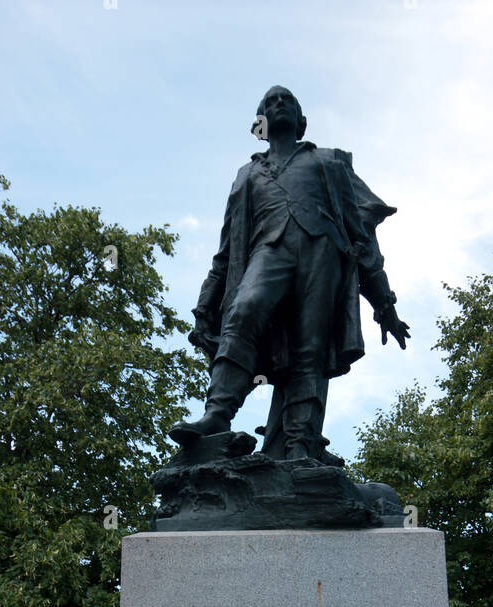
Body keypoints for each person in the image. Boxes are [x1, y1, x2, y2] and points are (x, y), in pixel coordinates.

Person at [169, 86, 410, 463]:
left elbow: (362, 239)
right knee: (244, 310)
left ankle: (300, 445)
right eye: (270, 103)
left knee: (310, 349)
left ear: (302, 121)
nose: (278, 104)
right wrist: (203, 308)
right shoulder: (246, 176)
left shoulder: (330, 163)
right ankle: (217, 413)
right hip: (269, 251)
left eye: (287, 101)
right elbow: (226, 254)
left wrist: (385, 305)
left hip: (323, 256)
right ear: (260, 124)